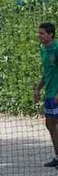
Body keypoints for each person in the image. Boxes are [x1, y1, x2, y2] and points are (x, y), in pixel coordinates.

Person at [34, 22, 58, 168]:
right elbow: (46, 74)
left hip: (55, 94)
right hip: (49, 93)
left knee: (55, 125)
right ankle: (57, 157)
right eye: (39, 33)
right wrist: (37, 89)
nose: (39, 35)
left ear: (51, 35)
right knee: (49, 125)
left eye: (42, 33)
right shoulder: (44, 50)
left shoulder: (56, 48)